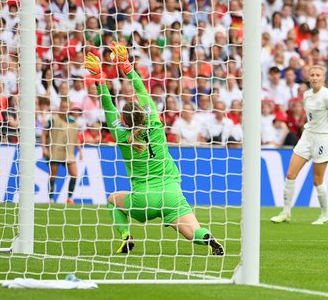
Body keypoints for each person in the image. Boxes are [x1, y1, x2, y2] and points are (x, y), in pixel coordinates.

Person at [85, 42, 224, 255]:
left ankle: (125, 236)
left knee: (113, 200)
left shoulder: (121, 135)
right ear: (144, 112)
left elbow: (108, 106)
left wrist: (100, 80)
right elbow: (140, 89)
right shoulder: (155, 123)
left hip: (143, 199)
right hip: (170, 192)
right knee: (192, 231)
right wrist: (126, 65)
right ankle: (206, 238)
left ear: (124, 120)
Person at [271, 65, 328, 225]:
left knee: (317, 180)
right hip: (307, 137)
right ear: (309, 77)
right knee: (290, 174)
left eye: (318, 75)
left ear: (323, 78)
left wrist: (324, 129)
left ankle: (325, 214)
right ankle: (286, 212)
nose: (315, 77)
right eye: (312, 75)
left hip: (322, 139)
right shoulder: (307, 95)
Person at [41, 97, 82, 204]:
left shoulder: (73, 122)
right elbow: (44, 134)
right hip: (55, 151)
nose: (64, 109)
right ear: (59, 107)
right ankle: (51, 199)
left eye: (66, 107)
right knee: (53, 174)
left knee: (74, 174)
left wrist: (80, 151)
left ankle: (69, 198)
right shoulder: (53, 119)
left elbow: (76, 137)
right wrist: (44, 148)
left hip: (69, 153)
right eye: (63, 107)